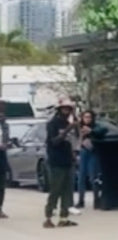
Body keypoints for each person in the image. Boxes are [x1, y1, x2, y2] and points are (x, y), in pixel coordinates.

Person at [44, 98, 78, 229]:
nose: (67, 111)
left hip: (67, 160)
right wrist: (68, 129)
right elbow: (54, 142)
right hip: (56, 161)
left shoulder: (68, 122)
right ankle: (48, 217)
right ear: (59, 110)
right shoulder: (53, 123)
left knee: (67, 191)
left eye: (69, 109)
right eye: (64, 109)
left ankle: (64, 218)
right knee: (55, 190)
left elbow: (73, 141)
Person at [75, 109, 98, 213]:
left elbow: (101, 133)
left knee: (93, 176)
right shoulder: (80, 128)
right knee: (81, 177)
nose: (87, 119)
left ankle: (97, 199)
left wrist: (91, 132)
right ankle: (81, 200)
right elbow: (77, 140)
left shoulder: (95, 127)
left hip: (93, 152)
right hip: (83, 152)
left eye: (89, 117)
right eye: (85, 117)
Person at [0, 101, 9, 219]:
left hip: (1, 155)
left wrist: (6, 144)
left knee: (2, 185)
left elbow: (6, 137)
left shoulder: (5, 124)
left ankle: (0, 208)